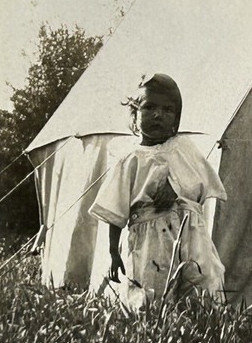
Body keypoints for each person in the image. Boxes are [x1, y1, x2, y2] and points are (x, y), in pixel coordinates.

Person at [89, 74, 227, 304]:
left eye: (167, 110)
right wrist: (113, 251)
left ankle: (201, 326)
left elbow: (200, 183)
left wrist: (177, 191)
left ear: (176, 119)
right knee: (152, 287)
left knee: (201, 280)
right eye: (149, 107)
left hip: (190, 231)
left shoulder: (184, 148)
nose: (157, 115)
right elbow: (115, 208)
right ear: (134, 115)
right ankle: (156, 329)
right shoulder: (130, 159)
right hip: (150, 236)